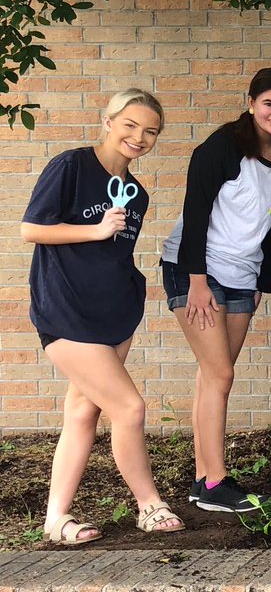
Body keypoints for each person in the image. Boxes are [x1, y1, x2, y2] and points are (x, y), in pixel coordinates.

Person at [22, 89, 184, 543]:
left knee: (81, 412)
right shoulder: (71, 166)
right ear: (108, 120)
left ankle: (56, 519)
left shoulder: (138, 194)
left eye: (150, 131)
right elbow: (31, 228)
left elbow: (115, 254)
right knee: (129, 408)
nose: (139, 137)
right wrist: (95, 229)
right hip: (66, 310)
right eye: (130, 124)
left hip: (115, 312)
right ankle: (150, 506)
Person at [161, 67, 271, 514]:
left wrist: (261, 284)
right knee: (220, 375)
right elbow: (195, 211)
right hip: (197, 269)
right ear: (252, 101)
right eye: (269, 103)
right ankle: (217, 481)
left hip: (244, 275)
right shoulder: (222, 146)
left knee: (212, 375)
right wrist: (196, 281)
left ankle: (204, 479)